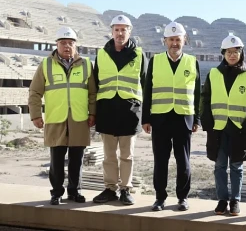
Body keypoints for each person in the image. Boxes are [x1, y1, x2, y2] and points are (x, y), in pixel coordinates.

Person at [28, 26, 96, 205]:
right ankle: (56, 192)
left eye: (71, 43)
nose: (67, 46)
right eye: (63, 43)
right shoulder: (46, 65)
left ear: (76, 46)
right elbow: (35, 92)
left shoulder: (87, 64)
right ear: (56, 45)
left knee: (77, 160)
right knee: (56, 160)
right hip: (55, 118)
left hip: (79, 119)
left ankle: (75, 191)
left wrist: (93, 113)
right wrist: (35, 115)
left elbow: (92, 93)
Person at [142, 21, 201, 212]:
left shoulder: (192, 62)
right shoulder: (155, 61)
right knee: (161, 160)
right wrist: (146, 118)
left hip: (184, 118)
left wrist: (197, 119)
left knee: (183, 161)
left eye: (178, 39)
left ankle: (182, 197)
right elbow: (147, 90)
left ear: (184, 40)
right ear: (164, 41)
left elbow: (198, 93)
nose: (174, 43)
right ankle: (160, 197)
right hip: (160, 117)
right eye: (171, 39)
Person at [201, 35, 246, 216]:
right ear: (223, 54)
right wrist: (207, 124)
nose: (232, 55)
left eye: (236, 51)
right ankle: (222, 200)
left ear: (241, 53)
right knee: (219, 166)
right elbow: (205, 100)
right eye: (229, 52)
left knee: (236, 166)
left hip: (239, 130)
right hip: (218, 130)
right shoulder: (213, 74)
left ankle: (235, 200)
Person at [92, 15, 147, 205]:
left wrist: (145, 115)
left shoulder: (139, 55)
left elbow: (146, 85)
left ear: (129, 32)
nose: (120, 33)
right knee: (108, 155)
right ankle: (109, 189)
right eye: (117, 29)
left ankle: (125, 189)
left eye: (124, 29)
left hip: (129, 112)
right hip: (107, 111)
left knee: (127, 155)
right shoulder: (101, 54)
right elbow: (95, 83)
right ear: (111, 31)